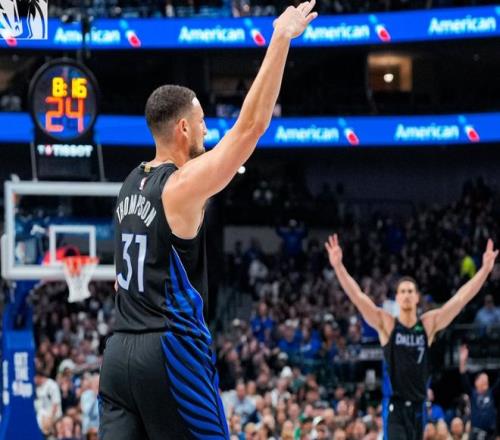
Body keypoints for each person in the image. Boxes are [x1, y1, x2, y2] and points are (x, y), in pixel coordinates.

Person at [98, 3, 318, 440]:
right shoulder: (179, 185)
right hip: (169, 351)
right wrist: (280, 38)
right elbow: (250, 127)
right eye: (201, 123)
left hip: (118, 353)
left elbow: (122, 283)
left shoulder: (128, 186)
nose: (206, 131)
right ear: (183, 128)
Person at [324, 234, 498, 440]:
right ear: (397, 297)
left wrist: (484, 270)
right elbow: (358, 297)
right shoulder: (388, 324)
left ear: (417, 297)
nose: (406, 294)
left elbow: (460, 299)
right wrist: (339, 267)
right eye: (402, 291)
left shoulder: (428, 324)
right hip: (395, 407)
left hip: (419, 407)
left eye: (410, 291)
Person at [459, 344, 499, 440]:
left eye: (487, 380)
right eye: (483, 379)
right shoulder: (472, 393)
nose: (486, 381)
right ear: (476, 382)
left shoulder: (492, 393)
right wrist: (462, 360)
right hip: (476, 432)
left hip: (491, 433)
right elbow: (463, 376)